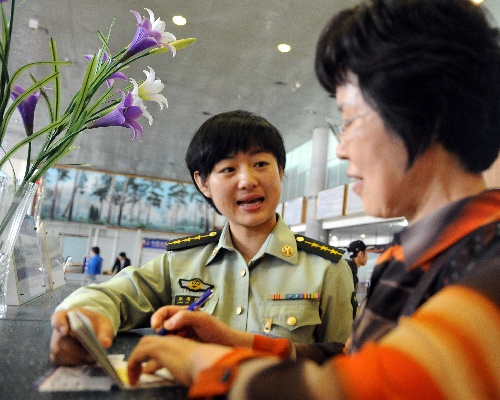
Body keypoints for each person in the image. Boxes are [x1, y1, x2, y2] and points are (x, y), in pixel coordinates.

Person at [125, 1, 500, 398]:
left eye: (351, 119)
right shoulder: (402, 259)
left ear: (429, 112)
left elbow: (342, 392)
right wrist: (234, 340)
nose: (341, 150)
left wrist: (199, 362)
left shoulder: (489, 270)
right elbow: (352, 364)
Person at [49, 110, 355, 366]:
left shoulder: (328, 270)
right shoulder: (181, 263)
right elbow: (111, 295)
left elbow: (346, 365)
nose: (247, 180)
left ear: (281, 171)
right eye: (228, 169)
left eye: (261, 164)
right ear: (203, 183)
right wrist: (86, 318)